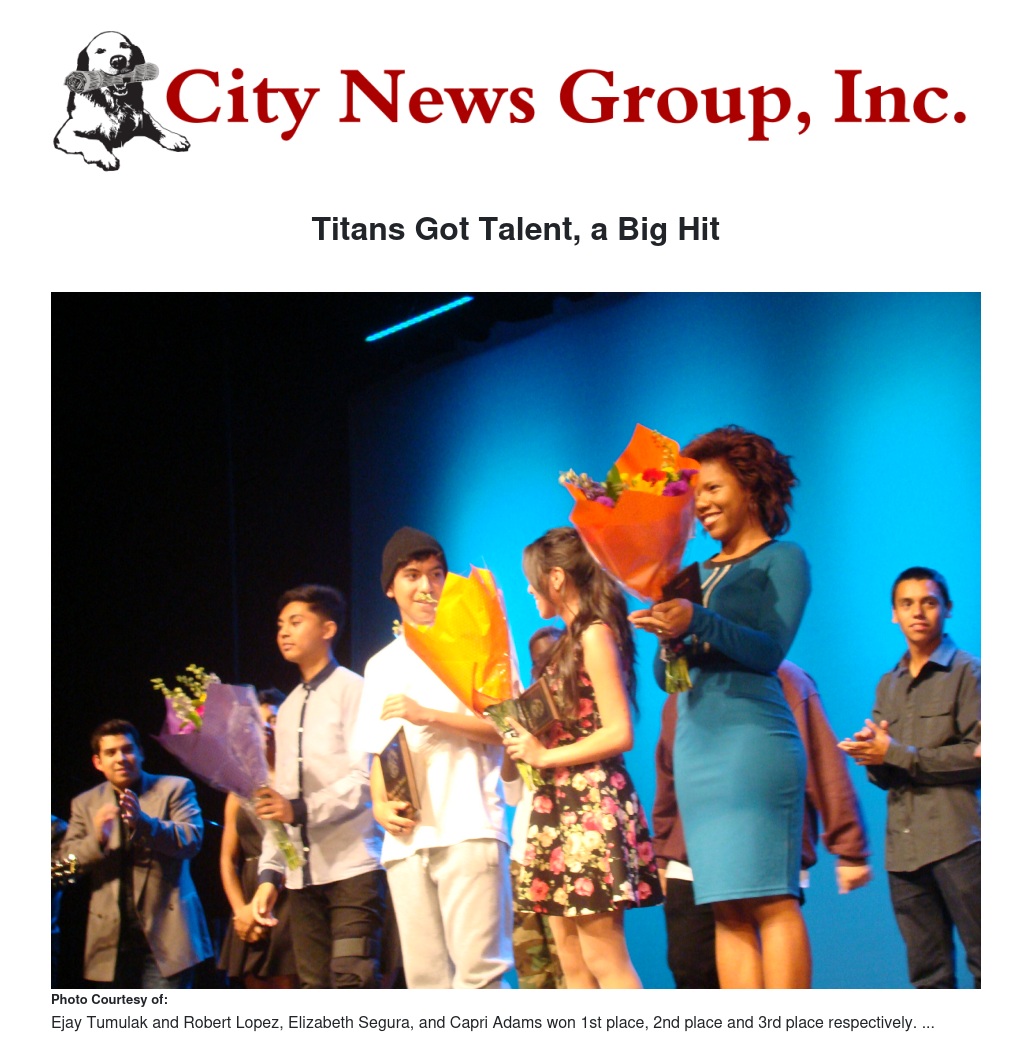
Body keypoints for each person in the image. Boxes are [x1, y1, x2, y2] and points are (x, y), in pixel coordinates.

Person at [629, 424, 811, 989]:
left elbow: (768, 650)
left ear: (751, 486)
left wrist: (699, 619)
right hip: (697, 749)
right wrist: (668, 639)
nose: (701, 503)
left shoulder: (783, 558)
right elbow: (669, 680)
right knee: (726, 910)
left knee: (770, 900)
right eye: (695, 493)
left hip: (752, 746)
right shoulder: (693, 573)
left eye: (712, 488)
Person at [506, 526, 662, 989]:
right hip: (557, 804)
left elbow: (619, 732)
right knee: (571, 960)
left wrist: (544, 754)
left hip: (591, 802)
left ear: (556, 578)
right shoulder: (568, 642)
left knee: (603, 957)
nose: (529, 589)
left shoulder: (594, 634)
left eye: (533, 579)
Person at [358, 526, 513, 989]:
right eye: (412, 575)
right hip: (406, 843)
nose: (426, 586)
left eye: (436, 574)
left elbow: (508, 728)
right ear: (390, 587)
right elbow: (379, 750)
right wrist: (379, 805)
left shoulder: (479, 642)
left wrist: (429, 715)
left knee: (480, 979)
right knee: (426, 985)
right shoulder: (380, 664)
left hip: (469, 827)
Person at [653, 662, 871, 988]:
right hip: (693, 851)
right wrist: (662, 852)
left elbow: (821, 759)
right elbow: (669, 774)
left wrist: (849, 844)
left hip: (762, 834)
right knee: (693, 964)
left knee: (772, 914)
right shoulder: (683, 685)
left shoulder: (782, 677)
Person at [839, 567, 980, 988]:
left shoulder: (968, 672)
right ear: (894, 614)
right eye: (907, 604)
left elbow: (980, 757)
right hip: (903, 852)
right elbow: (886, 775)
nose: (918, 612)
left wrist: (896, 753)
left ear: (947, 609)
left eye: (928, 602)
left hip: (959, 844)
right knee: (927, 978)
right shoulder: (889, 684)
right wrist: (871, 755)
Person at [252, 585, 386, 989]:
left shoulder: (354, 690)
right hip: (302, 879)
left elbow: (363, 780)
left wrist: (299, 809)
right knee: (313, 988)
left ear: (328, 629)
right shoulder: (289, 706)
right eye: (280, 624)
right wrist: (269, 874)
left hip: (353, 868)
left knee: (351, 980)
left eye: (296, 622)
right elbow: (280, 800)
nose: (283, 632)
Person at [59, 719, 213, 987]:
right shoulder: (85, 803)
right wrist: (96, 840)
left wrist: (144, 824)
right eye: (111, 752)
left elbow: (192, 841)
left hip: (167, 936)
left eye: (127, 749)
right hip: (111, 942)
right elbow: (65, 866)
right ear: (98, 762)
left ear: (141, 753)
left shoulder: (175, 788)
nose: (121, 758)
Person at [218, 687, 298, 988]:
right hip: (250, 893)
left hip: (291, 889)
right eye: (258, 722)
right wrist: (240, 910)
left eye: (273, 720)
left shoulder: (297, 780)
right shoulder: (239, 787)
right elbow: (227, 859)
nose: (266, 728)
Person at [501, 626, 566, 989]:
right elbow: (511, 793)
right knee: (532, 973)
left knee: (571, 966)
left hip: (563, 854)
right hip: (523, 856)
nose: (545, 667)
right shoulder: (526, 717)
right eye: (538, 662)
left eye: (552, 658)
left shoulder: (578, 710)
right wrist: (511, 735)